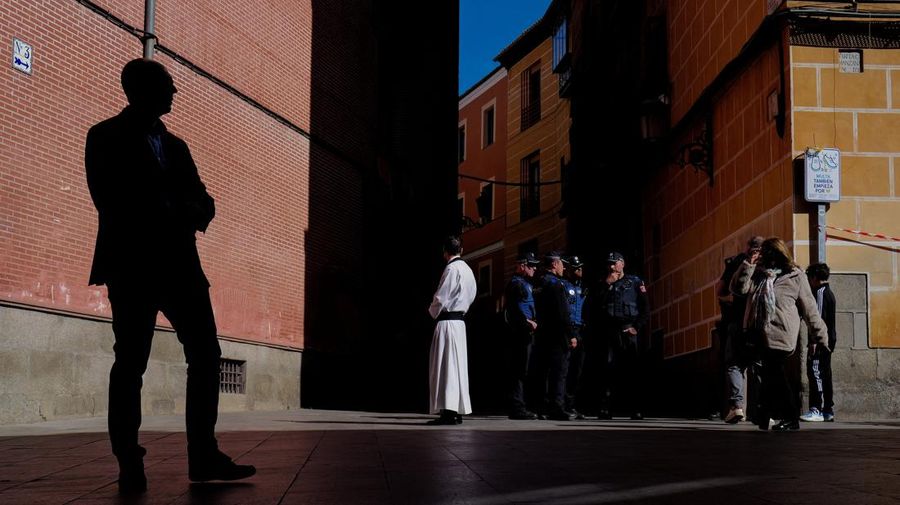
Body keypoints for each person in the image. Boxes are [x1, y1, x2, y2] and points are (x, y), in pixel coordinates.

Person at [85, 58, 255, 494]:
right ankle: (128, 460)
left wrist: (192, 210)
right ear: (141, 90)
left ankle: (203, 455)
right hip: (133, 268)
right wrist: (174, 210)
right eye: (168, 85)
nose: (175, 92)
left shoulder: (177, 146)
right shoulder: (104, 136)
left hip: (182, 268)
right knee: (131, 364)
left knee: (206, 353)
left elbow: (203, 197)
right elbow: (111, 199)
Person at [730, 237, 829, 432]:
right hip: (758, 333)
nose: (765, 257)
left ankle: (790, 418)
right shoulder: (758, 273)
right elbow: (738, 288)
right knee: (769, 375)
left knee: (775, 375)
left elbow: (810, 308)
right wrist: (748, 264)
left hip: (782, 334)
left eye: (768, 253)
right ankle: (765, 416)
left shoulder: (795, 276)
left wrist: (820, 336)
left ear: (778, 254)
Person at [591, 251, 649, 420]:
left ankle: (636, 409)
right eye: (609, 263)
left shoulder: (635, 282)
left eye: (614, 263)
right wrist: (606, 285)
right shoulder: (603, 283)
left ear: (622, 263)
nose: (611, 267)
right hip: (610, 332)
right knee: (608, 370)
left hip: (628, 331)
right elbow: (594, 306)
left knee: (633, 371)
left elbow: (645, 309)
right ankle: (606, 408)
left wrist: (636, 327)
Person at [426, 236, 477, 425]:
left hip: (447, 323)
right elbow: (472, 295)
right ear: (461, 250)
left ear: (445, 252)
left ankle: (447, 411)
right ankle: (456, 410)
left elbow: (441, 297)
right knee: (458, 367)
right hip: (460, 323)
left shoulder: (451, 269)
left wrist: (431, 312)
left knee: (445, 366)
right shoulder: (468, 270)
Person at [715, 236, 764, 424]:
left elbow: (720, 291)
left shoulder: (737, 262)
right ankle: (761, 408)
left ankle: (737, 407)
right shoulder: (773, 263)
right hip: (762, 323)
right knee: (759, 366)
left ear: (747, 247)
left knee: (735, 363)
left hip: (737, 321)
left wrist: (733, 302)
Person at [531, 251, 579, 421]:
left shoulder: (538, 283)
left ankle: (541, 408)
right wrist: (571, 334)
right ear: (554, 264)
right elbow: (562, 313)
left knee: (543, 372)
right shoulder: (557, 285)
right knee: (559, 373)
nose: (563, 267)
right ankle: (557, 408)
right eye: (561, 264)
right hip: (558, 335)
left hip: (542, 334)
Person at [503, 251, 541, 420]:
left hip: (527, 333)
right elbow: (512, 310)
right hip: (520, 333)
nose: (535, 269)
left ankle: (522, 405)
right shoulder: (516, 284)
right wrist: (527, 322)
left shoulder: (526, 283)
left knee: (524, 370)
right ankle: (517, 407)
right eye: (531, 266)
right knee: (519, 370)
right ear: (522, 265)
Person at [801, 263, 837, 422]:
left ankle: (818, 408)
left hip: (821, 340)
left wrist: (815, 340)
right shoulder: (826, 292)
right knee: (825, 372)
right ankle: (827, 410)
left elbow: (819, 318)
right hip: (827, 339)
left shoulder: (821, 293)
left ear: (815, 278)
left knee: (816, 372)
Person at [562, 255, 587, 420]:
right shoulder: (563, 286)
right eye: (575, 268)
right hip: (567, 330)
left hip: (580, 330)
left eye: (580, 267)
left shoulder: (584, 288)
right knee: (564, 370)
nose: (579, 270)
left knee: (576, 371)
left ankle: (571, 405)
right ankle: (560, 405)